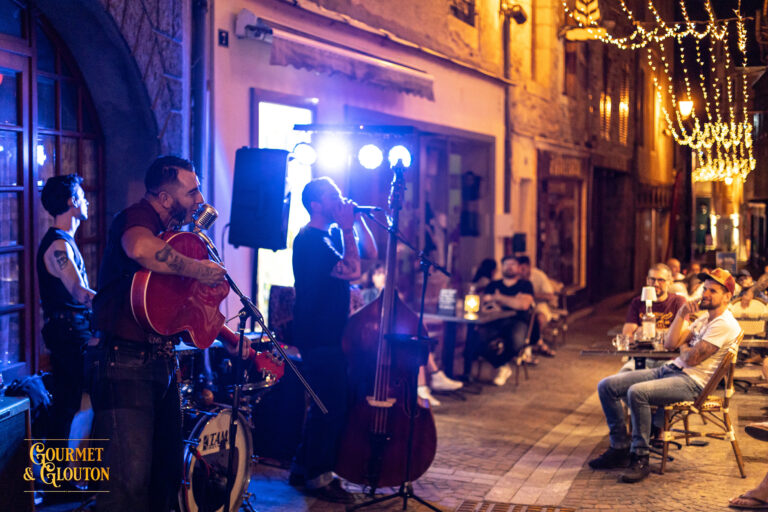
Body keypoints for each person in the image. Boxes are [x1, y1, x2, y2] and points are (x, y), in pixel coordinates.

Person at [89, 156, 233, 512]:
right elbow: (139, 248)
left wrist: (231, 338)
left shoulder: (176, 237)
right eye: (192, 191)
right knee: (127, 482)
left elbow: (184, 308)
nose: (200, 200)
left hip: (162, 363)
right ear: (167, 199)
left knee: (165, 476)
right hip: (125, 363)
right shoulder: (137, 218)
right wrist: (199, 269)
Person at [589, 268, 741, 483]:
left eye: (713, 291)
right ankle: (619, 448)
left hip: (692, 383)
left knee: (636, 393)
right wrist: (681, 315)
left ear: (727, 296)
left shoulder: (724, 323)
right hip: (672, 370)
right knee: (607, 386)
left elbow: (690, 359)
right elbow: (671, 343)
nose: (705, 294)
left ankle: (640, 457)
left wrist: (685, 345)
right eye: (704, 289)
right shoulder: (704, 319)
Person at [289, 177, 377, 503]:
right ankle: (319, 477)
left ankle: (302, 468)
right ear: (316, 204)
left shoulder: (329, 235)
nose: (340, 197)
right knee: (332, 406)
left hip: (329, 333)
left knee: (323, 405)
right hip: (319, 334)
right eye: (333, 195)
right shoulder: (310, 240)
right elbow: (353, 269)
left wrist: (357, 222)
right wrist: (348, 227)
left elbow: (372, 252)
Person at [36, 175, 95, 444]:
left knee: (74, 401)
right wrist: (116, 304)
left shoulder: (63, 241)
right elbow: (79, 292)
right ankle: (57, 479)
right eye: (82, 196)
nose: (87, 201)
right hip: (69, 331)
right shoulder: (58, 245)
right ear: (72, 202)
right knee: (68, 403)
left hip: (71, 328)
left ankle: (63, 475)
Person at [480, 255, 535, 386]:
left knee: (516, 342)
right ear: (502, 267)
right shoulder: (493, 284)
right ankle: (501, 365)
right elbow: (483, 304)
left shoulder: (525, 285)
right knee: (476, 339)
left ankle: (502, 365)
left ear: (518, 268)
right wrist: (513, 300)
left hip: (517, 320)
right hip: (494, 321)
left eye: (513, 264)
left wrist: (498, 298)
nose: (509, 267)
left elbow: (523, 305)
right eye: (506, 264)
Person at [516, 255, 559, 357]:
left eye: (523, 269)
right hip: (521, 306)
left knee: (538, 318)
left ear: (529, 267)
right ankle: (534, 344)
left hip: (539, 303)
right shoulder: (516, 277)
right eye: (519, 269)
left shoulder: (539, 275)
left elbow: (550, 295)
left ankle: (533, 343)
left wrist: (531, 295)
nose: (521, 272)